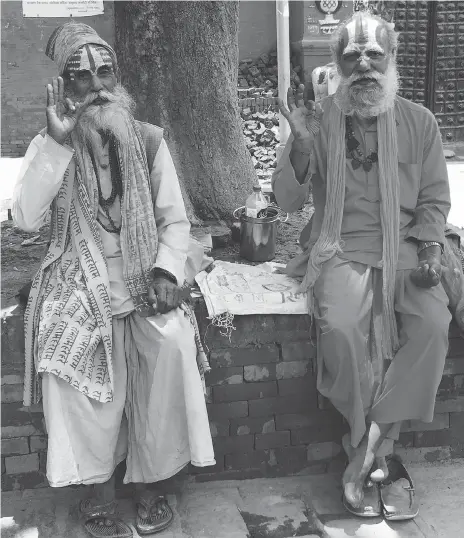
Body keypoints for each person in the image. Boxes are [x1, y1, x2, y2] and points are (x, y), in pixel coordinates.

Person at [13, 22, 215, 538]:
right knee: (66, 350)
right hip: (78, 278)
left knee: (170, 347)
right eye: (81, 78)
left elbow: (175, 221)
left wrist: (169, 270)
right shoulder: (53, 143)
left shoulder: (147, 139)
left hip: (145, 276)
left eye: (105, 72)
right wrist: (56, 145)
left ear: (118, 78)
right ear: (65, 87)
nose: (96, 85)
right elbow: (24, 219)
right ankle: (96, 490)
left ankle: (153, 483)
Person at [273, 11, 452, 519]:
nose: (365, 65)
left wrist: (433, 250)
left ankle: (366, 454)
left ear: (392, 60)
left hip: (409, 249)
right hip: (340, 247)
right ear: (338, 65)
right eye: (353, 57)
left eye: (376, 55)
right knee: (343, 330)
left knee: (433, 324)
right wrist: (302, 146)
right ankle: (378, 455)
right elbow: (285, 201)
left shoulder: (420, 122)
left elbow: (435, 202)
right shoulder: (320, 118)